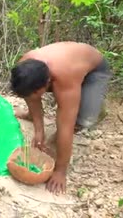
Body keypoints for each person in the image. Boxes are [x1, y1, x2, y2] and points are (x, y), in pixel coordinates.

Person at [9, 41, 111, 194]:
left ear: (48, 82)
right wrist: (39, 131)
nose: (32, 97)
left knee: (84, 119)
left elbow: (65, 125)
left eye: (37, 93)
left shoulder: (65, 77)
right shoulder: (25, 65)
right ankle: (31, 116)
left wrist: (60, 170)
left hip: (95, 70)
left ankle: (95, 108)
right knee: (29, 90)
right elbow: (32, 96)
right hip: (64, 64)